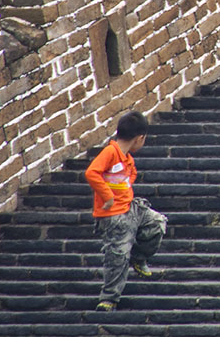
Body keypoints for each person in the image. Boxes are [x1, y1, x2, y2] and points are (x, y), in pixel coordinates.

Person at [84, 110, 167, 312]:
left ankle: (138, 257)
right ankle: (109, 298)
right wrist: (108, 196)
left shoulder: (127, 157)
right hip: (114, 215)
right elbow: (91, 172)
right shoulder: (110, 152)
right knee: (117, 254)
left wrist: (126, 186)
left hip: (131, 208)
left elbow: (131, 174)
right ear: (140, 138)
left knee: (157, 224)